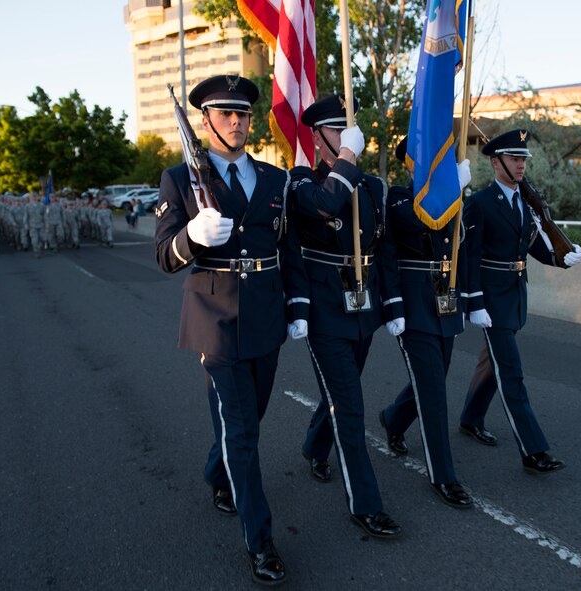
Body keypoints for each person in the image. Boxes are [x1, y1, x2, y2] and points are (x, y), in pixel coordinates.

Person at [154, 74, 309, 586]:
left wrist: (298, 306)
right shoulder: (179, 180)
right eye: (225, 114)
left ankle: (216, 474)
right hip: (216, 322)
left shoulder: (274, 179)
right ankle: (260, 542)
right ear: (205, 121)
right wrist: (191, 238)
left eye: (242, 114)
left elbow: (288, 249)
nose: (237, 122)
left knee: (248, 420)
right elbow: (164, 256)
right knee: (242, 430)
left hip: (265, 315)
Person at [289, 94, 404, 538]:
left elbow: (386, 248)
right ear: (317, 138)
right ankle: (366, 504)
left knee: (341, 395)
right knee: (351, 405)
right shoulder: (301, 181)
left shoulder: (373, 187)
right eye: (337, 130)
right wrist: (348, 159)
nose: (346, 136)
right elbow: (325, 204)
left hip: (364, 311)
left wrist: (391, 306)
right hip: (324, 314)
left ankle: (315, 445)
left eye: (349, 129)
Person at [460, 128, 581, 474]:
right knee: (511, 374)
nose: (521, 165)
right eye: (514, 159)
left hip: (514, 297)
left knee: (493, 365)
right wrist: (474, 302)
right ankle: (534, 450)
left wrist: (561, 258)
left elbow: (529, 246)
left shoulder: (522, 203)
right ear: (495, 162)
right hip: (491, 301)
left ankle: (470, 418)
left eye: (523, 160)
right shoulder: (480, 204)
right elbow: (469, 257)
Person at [378, 137, 474, 509]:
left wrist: (467, 299)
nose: (437, 162)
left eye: (443, 157)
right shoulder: (399, 199)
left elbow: (461, 245)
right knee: (433, 389)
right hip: (415, 304)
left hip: (445, 301)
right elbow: (414, 224)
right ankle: (443, 475)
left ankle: (393, 419)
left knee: (435, 376)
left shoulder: (453, 199)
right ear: (409, 163)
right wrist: (394, 307)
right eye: (427, 158)